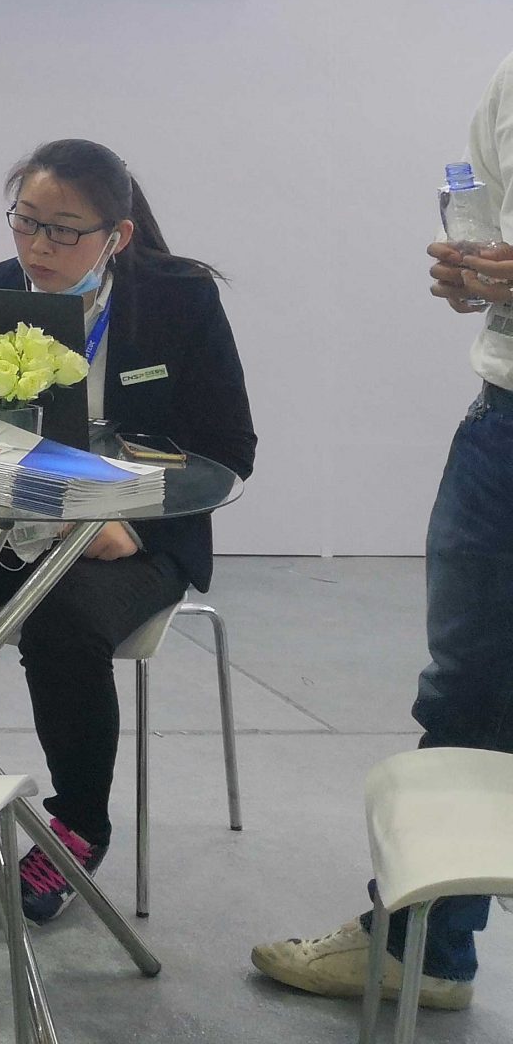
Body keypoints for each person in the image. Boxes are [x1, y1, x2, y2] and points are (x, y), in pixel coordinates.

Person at [0, 138, 255, 925]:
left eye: (63, 230)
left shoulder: (178, 299)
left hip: (137, 533)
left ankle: (78, 829)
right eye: (26, 222)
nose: (39, 247)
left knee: (63, 628)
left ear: (117, 235)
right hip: (11, 515)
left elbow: (228, 450)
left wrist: (134, 526)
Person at [252, 60, 513, 1017]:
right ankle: (424, 950)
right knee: (466, 695)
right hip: (505, 420)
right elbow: (480, 206)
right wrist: (472, 273)